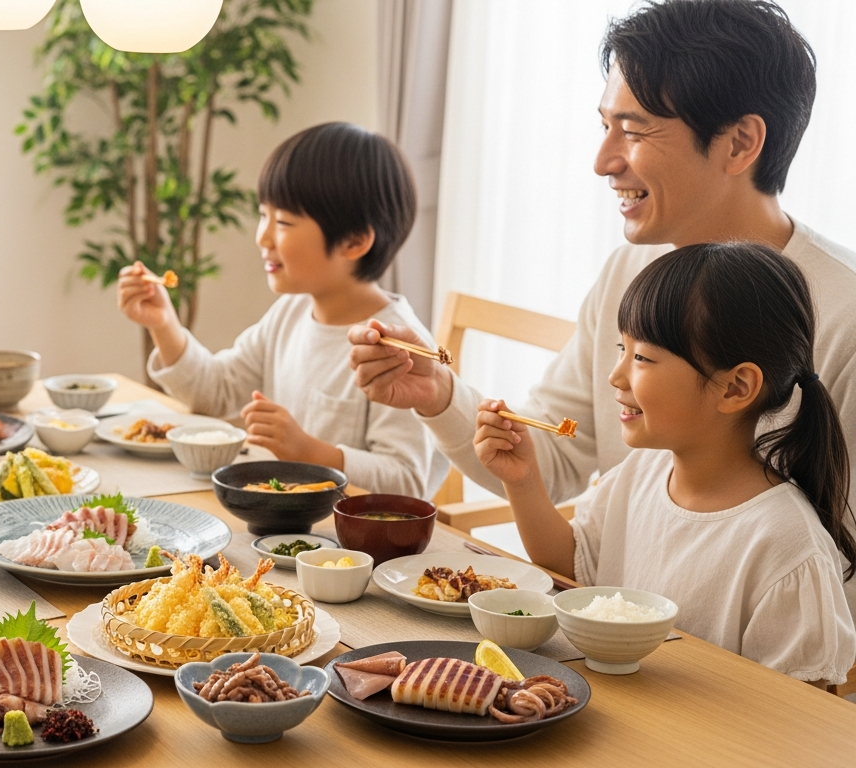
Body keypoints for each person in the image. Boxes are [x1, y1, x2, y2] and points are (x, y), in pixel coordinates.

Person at [347, 0, 856, 608]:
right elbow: (549, 453)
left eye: (634, 130)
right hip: (610, 636)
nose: (602, 162)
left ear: (739, 142)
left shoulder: (843, 315)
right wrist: (439, 396)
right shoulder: (631, 271)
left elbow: (836, 580)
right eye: (605, 126)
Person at [474, 243, 856, 686]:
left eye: (642, 358)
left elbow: (799, 723)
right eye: (622, 348)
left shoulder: (786, 545)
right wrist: (523, 481)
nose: (616, 376)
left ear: (735, 387)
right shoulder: (640, 475)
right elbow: (572, 563)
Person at [119, 122, 446, 496]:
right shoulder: (289, 313)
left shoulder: (397, 350)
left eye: (284, 222)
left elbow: (407, 482)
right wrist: (164, 324)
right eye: (263, 215)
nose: (263, 237)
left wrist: (310, 452)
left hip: (351, 548)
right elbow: (216, 393)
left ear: (354, 241)